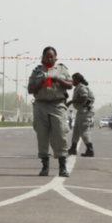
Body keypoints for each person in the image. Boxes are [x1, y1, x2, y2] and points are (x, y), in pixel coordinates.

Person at [28, 46, 73, 177]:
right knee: (42, 137)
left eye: (51, 56)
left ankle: (62, 167)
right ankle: (45, 166)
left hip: (57, 106)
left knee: (60, 135)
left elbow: (70, 85)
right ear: (42, 57)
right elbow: (30, 89)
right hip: (41, 106)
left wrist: (59, 80)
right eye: (47, 56)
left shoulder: (61, 69)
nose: (49, 58)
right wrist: (40, 83)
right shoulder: (37, 71)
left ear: (55, 57)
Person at [67, 72, 95, 157]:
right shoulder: (78, 87)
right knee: (76, 131)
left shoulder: (82, 87)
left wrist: (71, 102)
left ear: (77, 80)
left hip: (85, 111)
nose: (72, 81)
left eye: (73, 79)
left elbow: (84, 98)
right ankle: (73, 148)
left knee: (84, 131)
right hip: (81, 111)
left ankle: (90, 149)